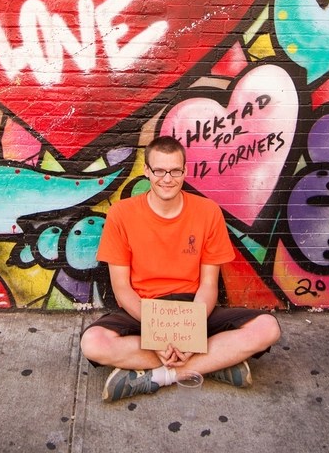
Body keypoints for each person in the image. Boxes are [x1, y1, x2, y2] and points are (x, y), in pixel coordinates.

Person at [80, 135, 280, 402]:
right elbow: (122, 289)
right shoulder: (121, 214)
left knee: (267, 328)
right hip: (144, 308)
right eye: (159, 171)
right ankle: (215, 363)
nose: (167, 179)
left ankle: (160, 376)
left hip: (193, 306)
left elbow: (208, 284)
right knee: (93, 343)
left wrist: (189, 334)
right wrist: (158, 334)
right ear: (147, 171)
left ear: (185, 171)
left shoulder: (207, 212)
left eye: (175, 171)